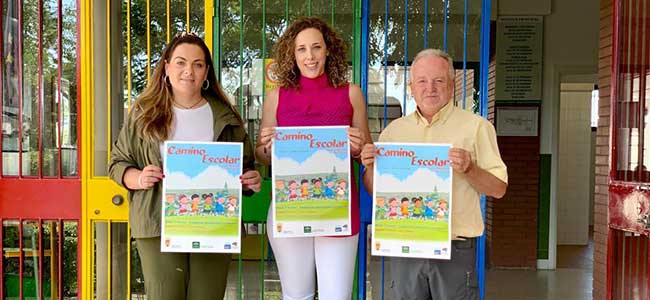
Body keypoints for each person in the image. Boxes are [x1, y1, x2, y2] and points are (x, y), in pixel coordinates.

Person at [108, 32, 261, 300]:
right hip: (157, 225)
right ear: (166, 67)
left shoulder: (225, 116)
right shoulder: (143, 114)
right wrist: (139, 178)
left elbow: (246, 169)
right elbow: (117, 164)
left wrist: (250, 181)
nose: (188, 71)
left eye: (198, 64)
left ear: (206, 73)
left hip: (214, 226)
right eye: (180, 62)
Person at [360, 48, 508, 300]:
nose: (430, 88)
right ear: (411, 87)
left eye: (439, 80)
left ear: (452, 84)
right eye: (422, 81)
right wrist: (372, 166)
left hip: (455, 248)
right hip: (405, 246)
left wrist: (470, 169)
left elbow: (498, 189)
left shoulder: (476, 127)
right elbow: (374, 189)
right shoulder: (394, 132)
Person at [256, 16, 371, 300]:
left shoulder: (351, 93)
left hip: (338, 210)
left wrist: (358, 149)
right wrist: (268, 148)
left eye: (316, 47)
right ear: (292, 55)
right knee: (297, 296)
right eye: (302, 49)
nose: (310, 56)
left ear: (328, 50)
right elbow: (261, 154)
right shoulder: (277, 97)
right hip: (289, 208)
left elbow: (367, 153)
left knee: (337, 297)